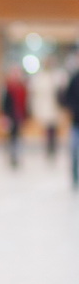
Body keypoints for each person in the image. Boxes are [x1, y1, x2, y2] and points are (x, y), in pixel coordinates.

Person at [29, 56, 66, 160]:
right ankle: (48, 148)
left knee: (53, 129)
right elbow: (36, 94)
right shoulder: (40, 77)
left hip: (55, 107)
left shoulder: (57, 76)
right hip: (45, 108)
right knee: (47, 130)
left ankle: (53, 148)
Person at [1, 66, 30, 168]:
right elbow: (4, 104)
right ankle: (12, 156)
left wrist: (26, 115)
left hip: (19, 115)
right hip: (11, 115)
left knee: (18, 137)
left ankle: (17, 156)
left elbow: (25, 104)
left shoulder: (22, 88)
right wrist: (4, 116)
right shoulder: (8, 88)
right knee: (12, 137)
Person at [62, 62, 79, 190]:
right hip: (76, 121)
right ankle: (74, 176)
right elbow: (66, 97)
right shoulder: (74, 79)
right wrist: (73, 109)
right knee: (74, 150)